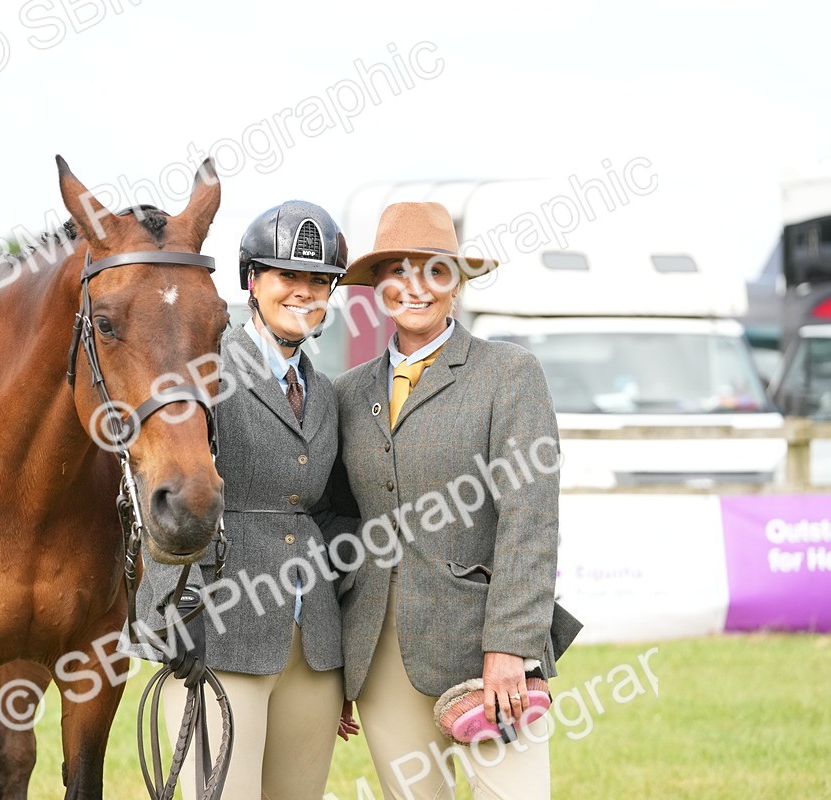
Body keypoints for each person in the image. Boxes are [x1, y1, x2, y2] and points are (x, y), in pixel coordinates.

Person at [330, 202, 583, 799]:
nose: (414, 287)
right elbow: (338, 524)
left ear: (457, 283)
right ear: (378, 285)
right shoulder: (344, 393)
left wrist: (511, 648)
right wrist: (340, 664)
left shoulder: (509, 374)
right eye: (398, 270)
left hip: (485, 648)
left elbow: (531, 519)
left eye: (435, 271)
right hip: (378, 651)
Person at [127, 201, 356, 800]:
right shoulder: (204, 368)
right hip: (218, 628)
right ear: (252, 281)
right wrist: (180, 610)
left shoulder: (326, 394)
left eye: (319, 282)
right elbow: (168, 488)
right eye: (288, 277)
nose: (305, 293)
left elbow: (325, 511)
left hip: (313, 644)